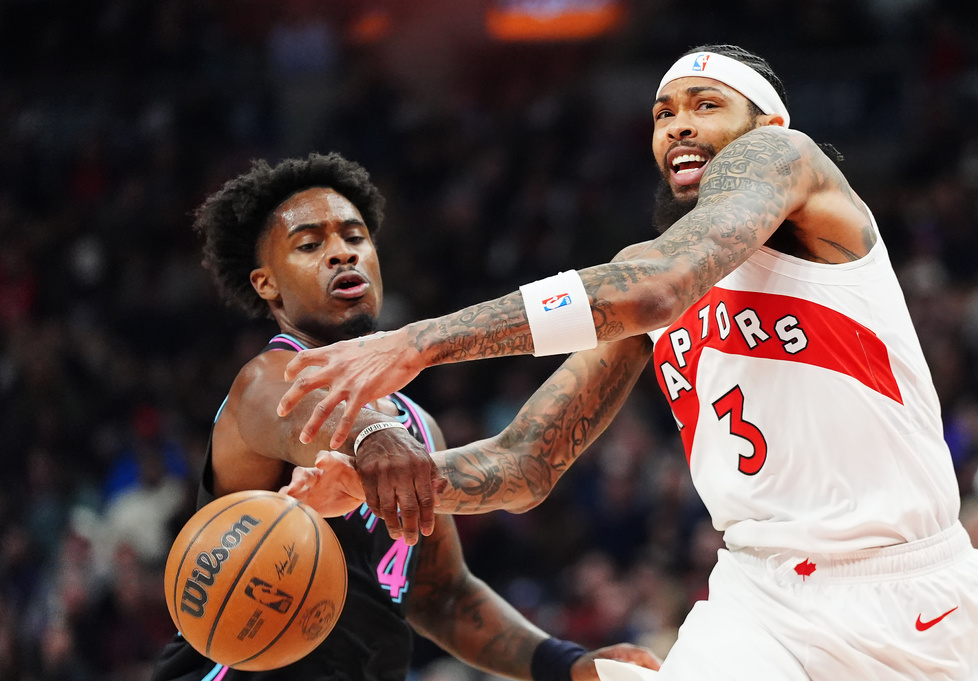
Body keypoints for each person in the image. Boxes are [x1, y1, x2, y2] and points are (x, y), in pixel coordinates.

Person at [278, 46, 978, 680]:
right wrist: (385, 484)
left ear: (768, 124)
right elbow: (526, 461)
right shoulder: (640, 278)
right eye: (664, 113)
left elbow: (660, 286)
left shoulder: (787, 159)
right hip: (759, 594)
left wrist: (419, 342)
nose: (678, 125)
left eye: (705, 104)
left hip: (904, 589)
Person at [149, 152, 660, 681]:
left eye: (355, 236)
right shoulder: (264, 383)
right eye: (310, 244)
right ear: (266, 284)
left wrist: (565, 663)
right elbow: (306, 409)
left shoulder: (418, 427)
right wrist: (374, 434)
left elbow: (442, 596)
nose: (341, 253)